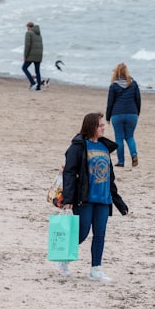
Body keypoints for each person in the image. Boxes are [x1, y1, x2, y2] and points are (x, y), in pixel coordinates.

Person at [59, 112, 128, 281]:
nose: (104, 128)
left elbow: (109, 178)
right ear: (91, 127)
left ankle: (95, 269)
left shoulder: (105, 147)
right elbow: (69, 173)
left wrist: (119, 203)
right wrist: (68, 200)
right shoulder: (78, 146)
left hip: (104, 199)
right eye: (100, 125)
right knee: (82, 233)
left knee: (100, 234)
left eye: (104, 125)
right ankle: (63, 259)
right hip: (85, 198)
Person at [105, 62, 142, 167]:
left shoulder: (113, 86)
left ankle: (121, 162)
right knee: (130, 136)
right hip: (132, 113)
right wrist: (136, 113)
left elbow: (110, 103)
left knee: (119, 138)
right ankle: (134, 154)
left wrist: (108, 117)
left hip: (117, 114)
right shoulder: (133, 84)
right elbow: (138, 100)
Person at [22, 21, 44, 91]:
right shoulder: (39, 34)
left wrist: (25, 55)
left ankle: (33, 83)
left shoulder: (28, 33)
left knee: (24, 68)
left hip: (31, 55)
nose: (27, 29)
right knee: (37, 71)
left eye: (27, 27)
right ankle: (38, 88)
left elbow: (27, 46)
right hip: (39, 55)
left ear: (28, 27)